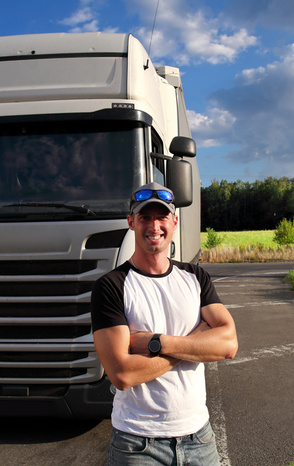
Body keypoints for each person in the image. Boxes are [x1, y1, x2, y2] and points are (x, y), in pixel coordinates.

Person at [91, 182, 238, 465]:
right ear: (131, 222)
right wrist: (197, 342)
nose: (154, 225)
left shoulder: (195, 277)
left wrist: (157, 343)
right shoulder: (111, 287)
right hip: (137, 443)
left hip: (200, 438)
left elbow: (229, 344)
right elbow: (122, 374)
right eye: (145, 217)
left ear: (175, 221)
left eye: (161, 217)